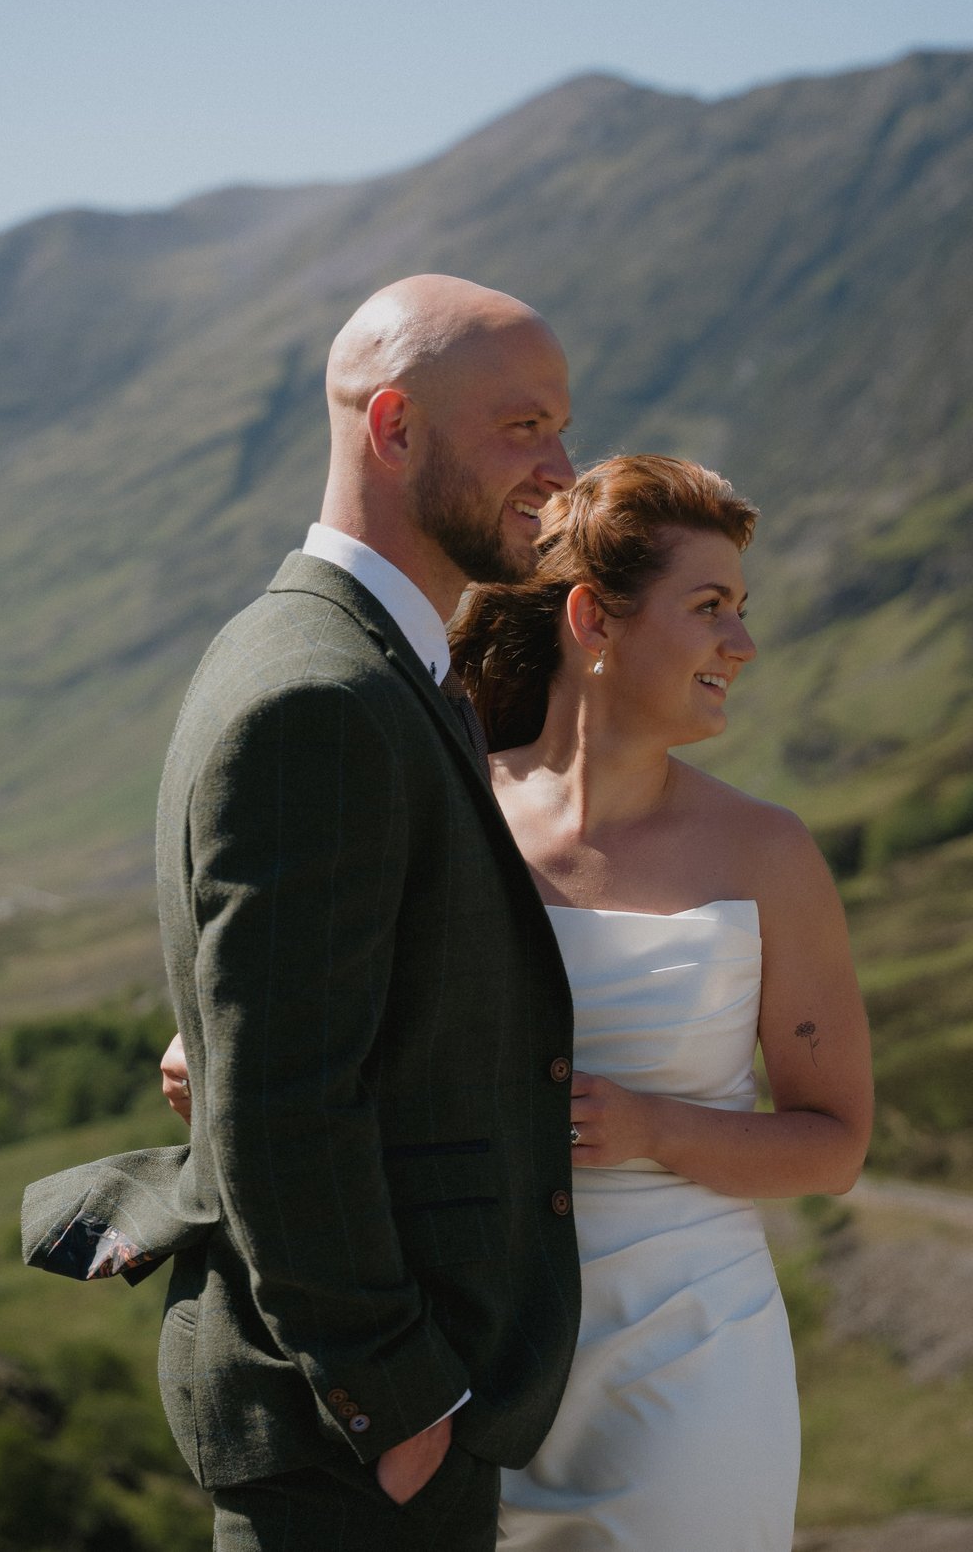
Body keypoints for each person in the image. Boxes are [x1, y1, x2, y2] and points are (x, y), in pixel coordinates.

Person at [153, 454, 873, 1549]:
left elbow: (833, 1144)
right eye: (710, 606)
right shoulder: (448, 802)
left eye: (742, 608)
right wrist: (217, 1044)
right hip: (470, 1355)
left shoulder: (769, 853)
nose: (743, 642)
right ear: (594, 617)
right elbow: (311, 1007)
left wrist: (649, 1128)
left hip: (688, 1368)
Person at [46, 273, 585, 1552]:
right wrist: (396, 1399)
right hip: (361, 1445)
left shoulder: (359, 659)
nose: (564, 470)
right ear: (393, 428)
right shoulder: (318, 697)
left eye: (562, 426)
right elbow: (281, 1100)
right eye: (524, 428)